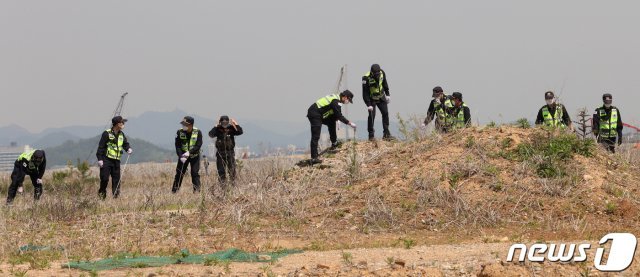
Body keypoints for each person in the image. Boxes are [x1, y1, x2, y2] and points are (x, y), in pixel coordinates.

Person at [307, 90, 356, 164]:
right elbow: (339, 115)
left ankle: (334, 142)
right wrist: (349, 123)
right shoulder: (336, 102)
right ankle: (314, 158)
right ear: (345, 97)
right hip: (314, 113)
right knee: (316, 135)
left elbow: (335, 113)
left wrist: (337, 119)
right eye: (348, 100)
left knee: (331, 122)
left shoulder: (337, 100)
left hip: (320, 113)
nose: (348, 102)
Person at [96, 116, 132, 199]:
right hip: (106, 160)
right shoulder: (107, 133)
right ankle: (102, 197)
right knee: (104, 179)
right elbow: (101, 147)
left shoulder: (121, 134)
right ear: (117, 124)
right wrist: (100, 159)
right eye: (122, 122)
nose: (123, 124)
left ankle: (116, 198)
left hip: (116, 161)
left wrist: (128, 148)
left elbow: (125, 144)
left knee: (116, 180)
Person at [208, 115, 243, 189]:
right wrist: (215, 126)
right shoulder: (217, 129)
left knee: (232, 170)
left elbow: (240, 132)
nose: (224, 124)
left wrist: (235, 124)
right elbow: (211, 134)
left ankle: (233, 186)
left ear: (228, 122)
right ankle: (223, 187)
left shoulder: (231, 129)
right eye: (223, 123)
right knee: (221, 171)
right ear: (220, 122)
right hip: (220, 153)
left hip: (230, 152)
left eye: (226, 122)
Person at [172, 116, 203, 193]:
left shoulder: (198, 132)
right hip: (183, 156)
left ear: (191, 125)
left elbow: (198, 145)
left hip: (194, 155)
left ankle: (197, 191)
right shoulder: (179, 132)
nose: (183, 126)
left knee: (194, 173)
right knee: (179, 173)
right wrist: (180, 156)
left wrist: (189, 153)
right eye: (183, 124)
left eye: (185, 124)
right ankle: (175, 191)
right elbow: (178, 145)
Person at [363, 64, 394, 140]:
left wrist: (388, 94)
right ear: (372, 72)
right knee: (372, 116)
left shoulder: (382, 73)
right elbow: (365, 93)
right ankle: (371, 136)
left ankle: (386, 134)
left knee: (385, 113)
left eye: (378, 73)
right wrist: (368, 104)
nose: (377, 75)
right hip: (372, 99)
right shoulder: (366, 78)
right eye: (375, 74)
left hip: (381, 97)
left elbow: (385, 83)